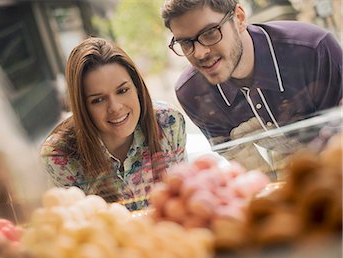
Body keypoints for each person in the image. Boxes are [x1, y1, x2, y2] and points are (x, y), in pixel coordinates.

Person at [161, 0, 342, 146]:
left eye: (210, 33)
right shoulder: (192, 93)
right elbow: (243, 169)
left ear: (239, 18)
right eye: (185, 43)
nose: (199, 53)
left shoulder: (313, 49)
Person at [40, 37, 186, 211]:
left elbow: (183, 199)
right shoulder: (59, 156)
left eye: (122, 90)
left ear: (137, 88)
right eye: (98, 100)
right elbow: (77, 228)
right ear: (82, 107)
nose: (115, 107)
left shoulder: (168, 123)